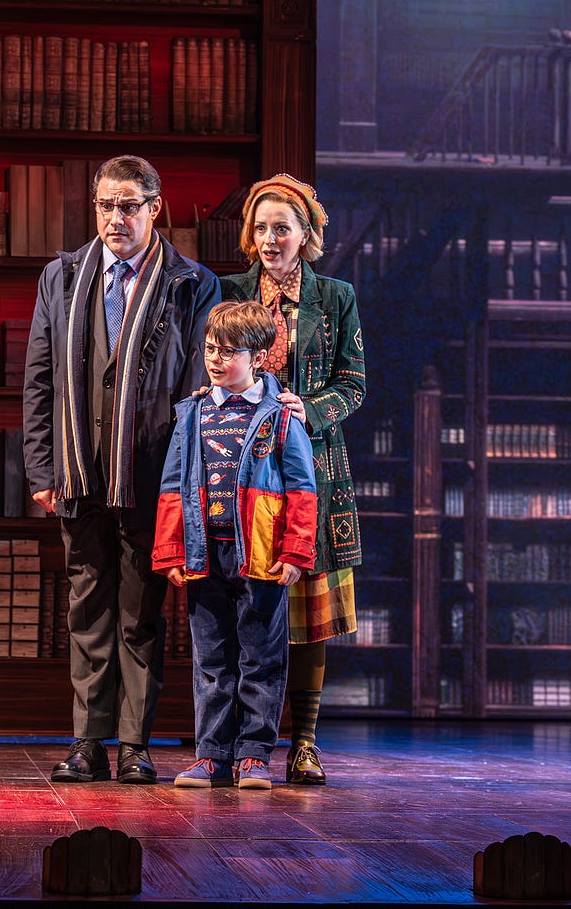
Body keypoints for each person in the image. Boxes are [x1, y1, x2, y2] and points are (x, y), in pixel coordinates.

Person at [23, 155, 220, 785]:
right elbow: (40, 378)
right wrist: (41, 468)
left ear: (154, 208)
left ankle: (134, 743)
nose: (115, 218)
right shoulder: (62, 276)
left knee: (140, 616)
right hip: (77, 472)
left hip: (150, 474)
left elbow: (197, 391)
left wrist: (181, 481)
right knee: (87, 611)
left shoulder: (191, 283)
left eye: (129, 206)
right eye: (106, 205)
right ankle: (88, 743)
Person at [219, 174, 365, 785]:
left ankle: (303, 743)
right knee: (241, 606)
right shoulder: (229, 292)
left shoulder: (335, 297)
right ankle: (238, 743)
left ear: (306, 234)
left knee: (308, 612)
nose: (270, 238)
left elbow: (354, 384)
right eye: (261, 228)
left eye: (282, 227)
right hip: (242, 468)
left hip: (313, 471)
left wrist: (312, 408)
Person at [152, 301, 318, 790]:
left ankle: (253, 755)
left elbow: (303, 488)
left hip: (260, 556)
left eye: (228, 352)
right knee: (211, 659)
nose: (216, 360)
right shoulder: (193, 413)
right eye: (210, 349)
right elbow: (172, 485)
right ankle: (211, 755)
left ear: (259, 358)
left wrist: (296, 551)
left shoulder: (280, 416)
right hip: (205, 553)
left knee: (260, 658)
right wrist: (171, 550)